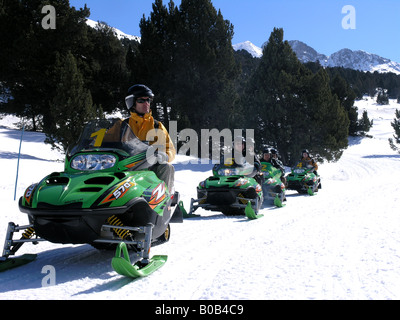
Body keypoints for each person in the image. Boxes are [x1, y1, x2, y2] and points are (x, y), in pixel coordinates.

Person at [124, 84, 176, 192]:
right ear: (132, 103)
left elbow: (170, 148)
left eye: (148, 100)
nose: (146, 103)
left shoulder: (157, 126)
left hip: (149, 168)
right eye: (141, 101)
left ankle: (164, 201)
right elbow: (105, 142)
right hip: (126, 167)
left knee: (167, 167)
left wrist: (164, 156)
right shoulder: (122, 126)